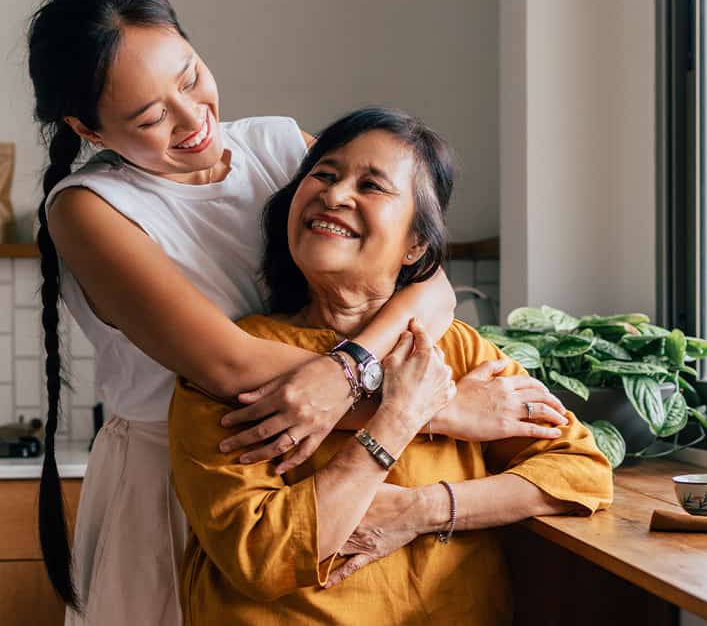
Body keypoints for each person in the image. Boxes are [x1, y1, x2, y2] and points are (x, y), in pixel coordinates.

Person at [27, 0, 568, 625]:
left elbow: (428, 280)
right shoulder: (89, 210)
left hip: (320, 464)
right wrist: (433, 409)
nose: (192, 117)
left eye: (190, 76)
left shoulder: (280, 146)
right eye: (149, 117)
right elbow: (228, 369)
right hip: (189, 477)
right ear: (87, 126)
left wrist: (355, 371)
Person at [169, 107, 614, 625]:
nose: (335, 195)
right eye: (326, 174)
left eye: (373, 186)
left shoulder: (455, 348)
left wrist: (421, 510)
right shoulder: (236, 361)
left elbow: (581, 472)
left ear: (415, 245)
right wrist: (398, 418)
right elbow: (262, 555)